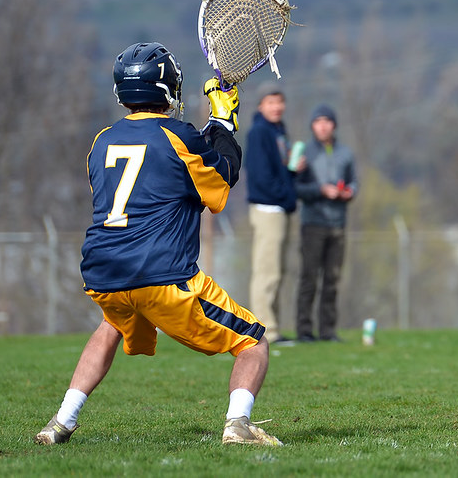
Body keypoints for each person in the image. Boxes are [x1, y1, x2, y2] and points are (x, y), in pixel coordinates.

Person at [35, 42, 282, 447]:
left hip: (104, 274)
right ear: (168, 88)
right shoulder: (179, 134)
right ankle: (238, 424)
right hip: (162, 275)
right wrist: (224, 123)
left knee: (111, 325)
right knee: (253, 342)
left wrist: (212, 132)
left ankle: (60, 422)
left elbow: (163, 165)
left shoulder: (100, 141)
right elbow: (219, 183)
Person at [293, 104, 358, 343]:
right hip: (313, 223)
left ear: (334, 125)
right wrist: (320, 190)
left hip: (338, 224)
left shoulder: (346, 154)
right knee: (309, 279)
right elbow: (296, 188)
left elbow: (354, 183)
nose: (323, 126)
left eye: (327, 121)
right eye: (318, 121)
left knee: (332, 280)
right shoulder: (304, 153)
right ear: (312, 126)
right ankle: (304, 331)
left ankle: (328, 331)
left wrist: (349, 192)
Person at [244, 82, 298, 345]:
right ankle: (265, 332)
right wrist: (285, 194)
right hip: (267, 208)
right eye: (271, 102)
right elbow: (261, 176)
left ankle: (274, 328)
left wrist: (292, 170)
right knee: (266, 272)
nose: (276, 107)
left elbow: (279, 169)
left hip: (279, 208)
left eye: (280, 101)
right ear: (260, 105)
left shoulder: (278, 131)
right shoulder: (259, 132)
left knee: (277, 271)